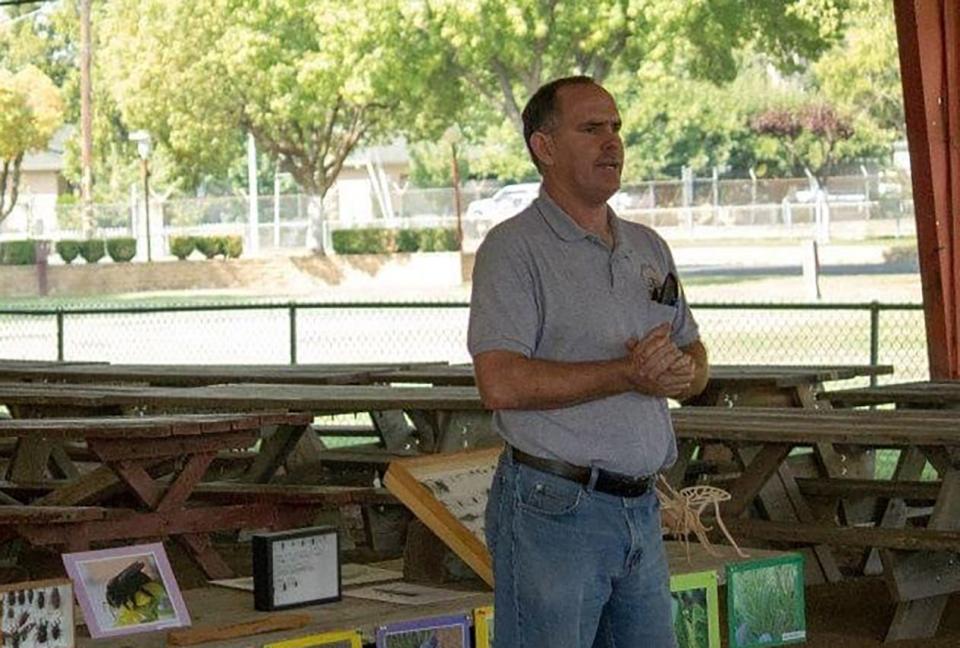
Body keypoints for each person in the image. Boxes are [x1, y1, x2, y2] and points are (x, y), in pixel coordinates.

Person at [467, 76, 709, 648]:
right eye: (591, 128)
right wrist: (626, 375)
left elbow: (694, 354)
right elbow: (497, 381)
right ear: (543, 148)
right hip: (554, 510)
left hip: (642, 508)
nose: (612, 143)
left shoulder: (648, 248)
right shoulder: (512, 249)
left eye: (617, 128)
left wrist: (684, 372)